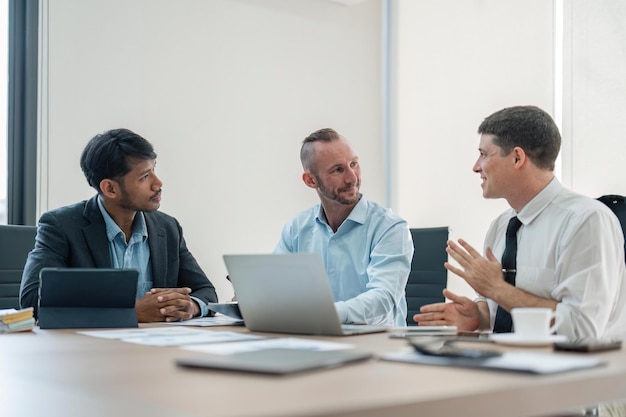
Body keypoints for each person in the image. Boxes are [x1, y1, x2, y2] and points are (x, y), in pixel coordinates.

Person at [413, 105, 626, 342]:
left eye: (484, 154)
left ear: (517, 158)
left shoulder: (586, 221)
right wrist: (480, 317)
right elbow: (502, 310)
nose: (476, 166)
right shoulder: (502, 225)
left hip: (571, 373)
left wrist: (497, 289)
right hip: (504, 365)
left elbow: (581, 330)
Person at [20, 128, 218, 322]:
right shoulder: (61, 226)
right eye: (144, 176)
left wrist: (190, 306)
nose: (158, 183)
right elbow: (32, 302)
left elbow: (206, 291)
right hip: (90, 350)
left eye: (154, 169)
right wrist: (130, 312)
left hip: (155, 348)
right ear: (110, 188)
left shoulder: (167, 228)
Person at [274, 128, 413, 326]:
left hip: (377, 346)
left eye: (354, 164)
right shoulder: (297, 228)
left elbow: (383, 300)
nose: (352, 178)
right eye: (338, 170)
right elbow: (276, 287)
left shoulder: (390, 228)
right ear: (310, 180)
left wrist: (323, 314)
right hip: (315, 342)